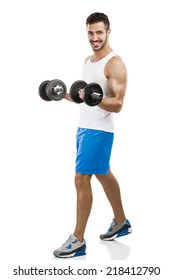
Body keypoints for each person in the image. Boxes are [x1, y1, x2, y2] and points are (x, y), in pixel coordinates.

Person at [53, 12, 132, 258]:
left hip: (100, 131)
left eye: (99, 32)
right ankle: (121, 221)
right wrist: (60, 93)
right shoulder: (88, 60)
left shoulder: (115, 62)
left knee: (81, 178)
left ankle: (78, 240)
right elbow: (83, 96)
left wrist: (96, 99)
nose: (94, 37)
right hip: (84, 127)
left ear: (108, 32)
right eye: (90, 32)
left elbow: (117, 103)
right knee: (102, 171)